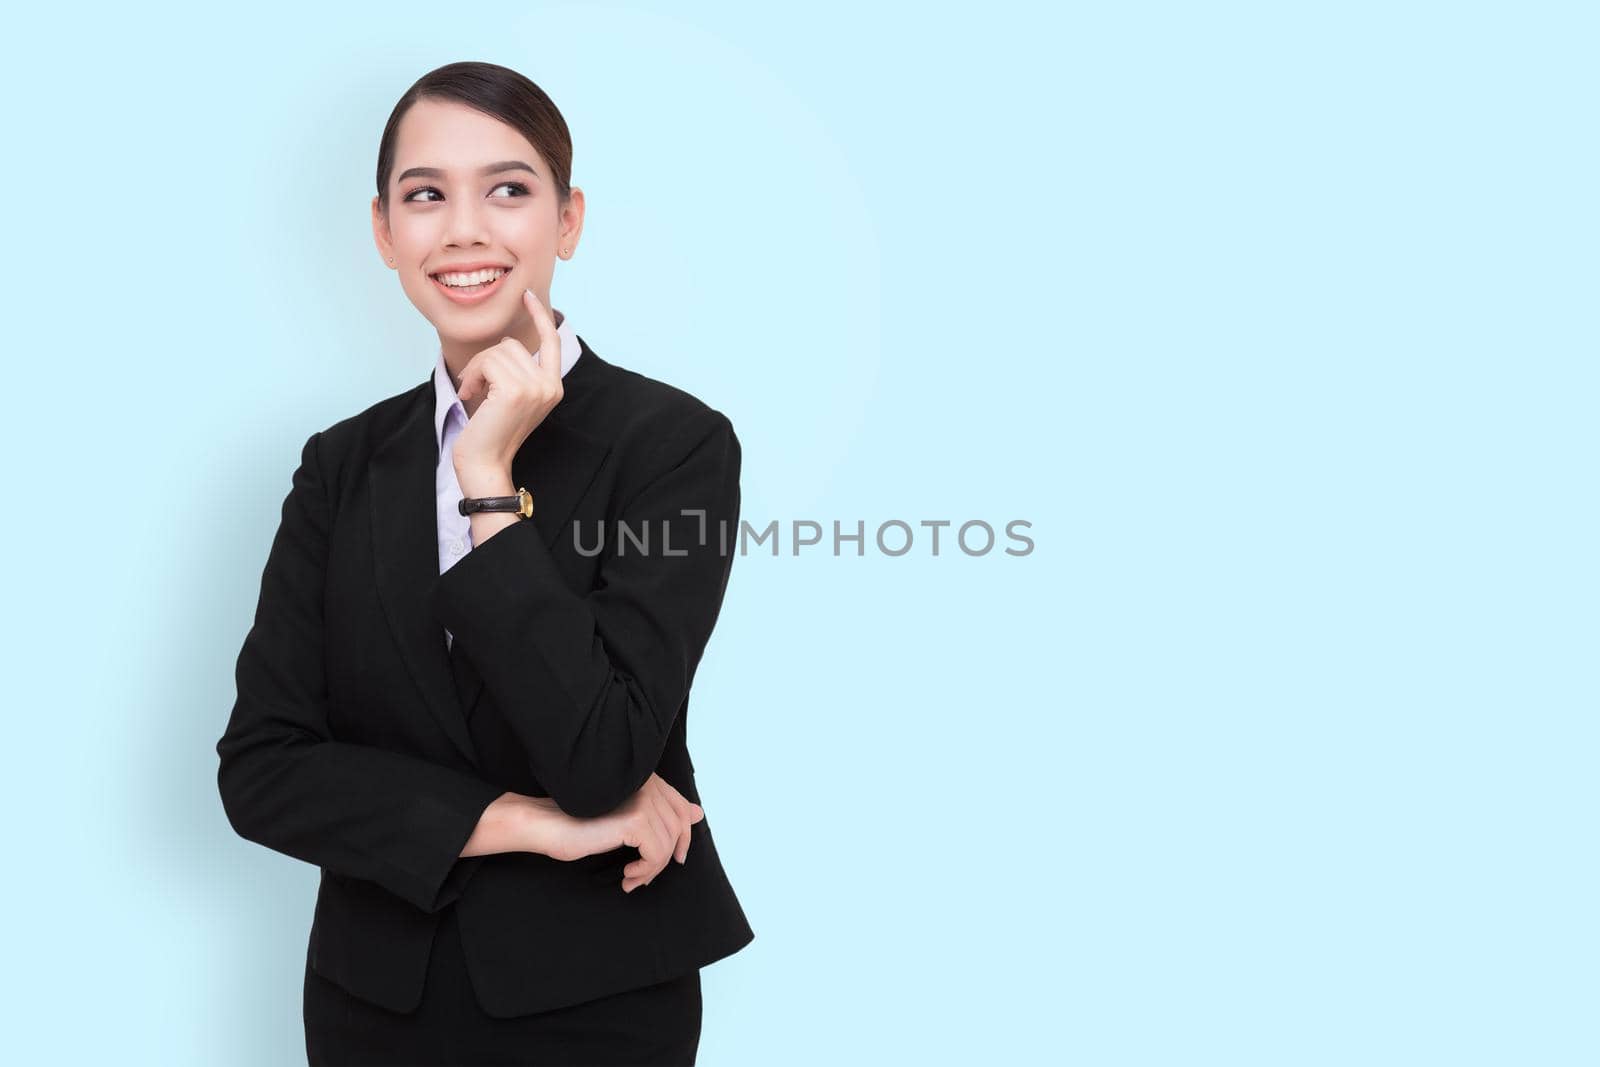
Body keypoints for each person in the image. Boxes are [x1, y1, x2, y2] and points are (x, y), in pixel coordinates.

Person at [215, 60, 754, 1066]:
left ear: (568, 220)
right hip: (373, 999)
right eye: (426, 195)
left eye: (508, 189)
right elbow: (264, 769)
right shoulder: (342, 465)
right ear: (384, 231)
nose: (463, 229)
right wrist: (525, 824)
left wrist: (487, 475)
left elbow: (600, 752)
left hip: (598, 996)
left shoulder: (672, 445)